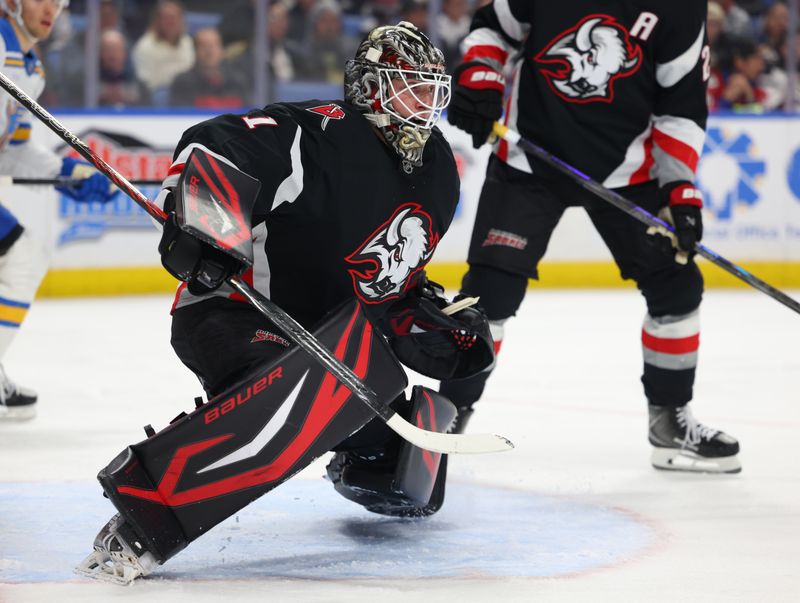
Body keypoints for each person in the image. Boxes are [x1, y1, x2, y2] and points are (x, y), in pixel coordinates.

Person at [77, 22, 494, 584]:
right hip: (231, 309)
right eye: (410, 87)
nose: (425, 104)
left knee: (407, 474)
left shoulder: (439, 172)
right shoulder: (322, 135)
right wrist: (210, 224)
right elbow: (215, 141)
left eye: (431, 90)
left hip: (327, 345)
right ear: (371, 87)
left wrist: (428, 321)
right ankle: (142, 518)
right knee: (301, 391)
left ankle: (351, 456)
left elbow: (385, 285)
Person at [442, 1, 741, 473]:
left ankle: (670, 423)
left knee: (676, 287)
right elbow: (492, 29)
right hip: (529, 158)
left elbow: (680, 106)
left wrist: (679, 187)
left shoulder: (681, 8)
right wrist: (480, 74)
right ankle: (446, 417)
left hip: (630, 170)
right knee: (489, 296)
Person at [0, 0, 118, 420]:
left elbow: (11, 150)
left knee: (22, 257)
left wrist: (68, 173)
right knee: (20, 257)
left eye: (58, 1)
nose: (51, 8)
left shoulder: (29, 69)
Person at [168, 27, 249, 109]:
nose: (209, 51)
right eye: (204, 46)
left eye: (214, 46)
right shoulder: (183, 83)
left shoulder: (237, 81)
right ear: (195, 51)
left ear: (222, 50)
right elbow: (181, 117)